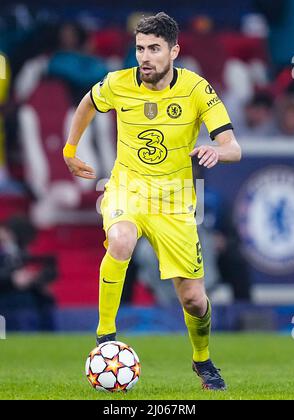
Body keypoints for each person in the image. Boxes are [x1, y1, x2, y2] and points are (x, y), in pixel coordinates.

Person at [63, 12, 241, 391]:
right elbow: (87, 104)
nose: (145, 57)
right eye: (140, 48)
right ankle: (105, 336)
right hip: (127, 188)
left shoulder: (196, 89)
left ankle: (202, 359)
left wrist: (217, 151)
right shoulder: (119, 83)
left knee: (194, 300)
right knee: (122, 240)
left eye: (155, 49)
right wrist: (70, 147)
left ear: (174, 50)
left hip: (176, 203)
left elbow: (234, 147)